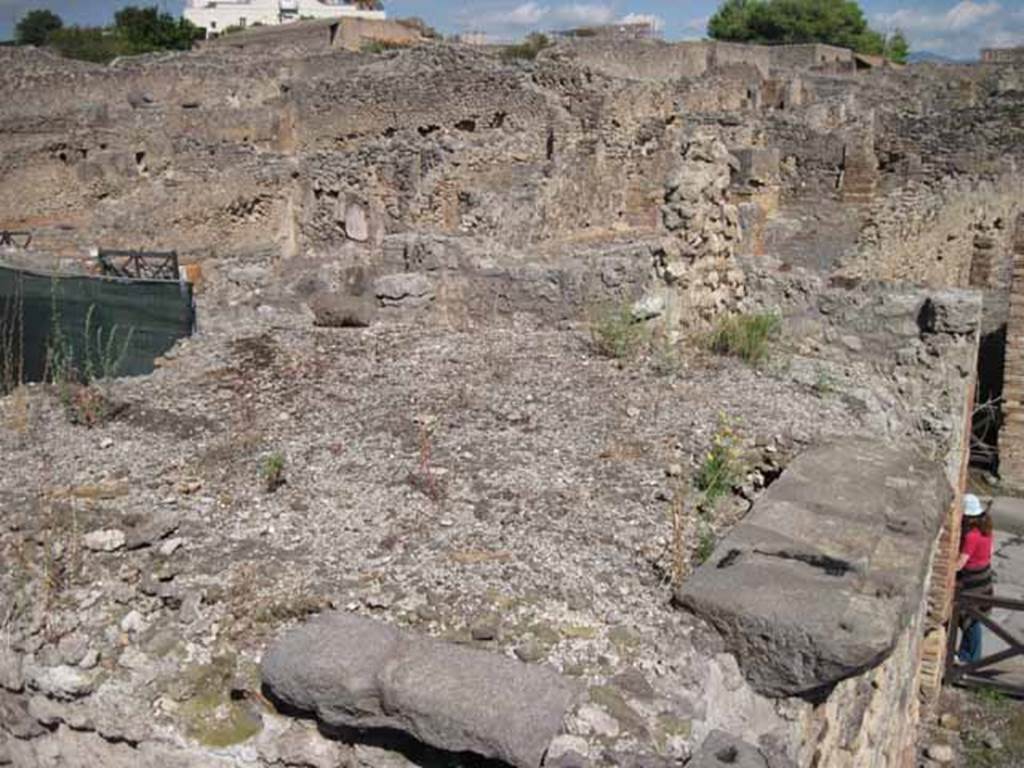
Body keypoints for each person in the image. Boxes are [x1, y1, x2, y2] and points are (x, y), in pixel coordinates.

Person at [956, 493, 995, 663]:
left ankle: (970, 658)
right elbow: (991, 552)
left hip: (973, 580)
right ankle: (969, 655)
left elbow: (961, 562)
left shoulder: (972, 536)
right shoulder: (986, 531)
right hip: (984, 577)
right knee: (974, 618)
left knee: (970, 619)